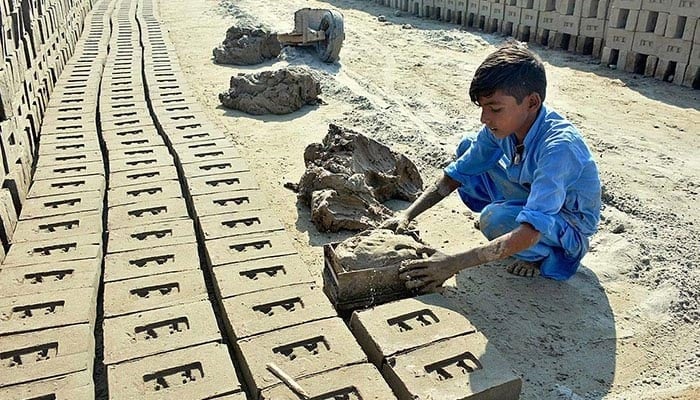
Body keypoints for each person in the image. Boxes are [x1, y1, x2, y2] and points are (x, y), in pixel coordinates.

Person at [383, 42, 601, 293]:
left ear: (531, 102)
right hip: (533, 195)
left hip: (566, 223)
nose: (484, 118)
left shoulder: (559, 148)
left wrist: (452, 263)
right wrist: (407, 214)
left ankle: (542, 255)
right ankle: (509, 223)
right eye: (483, 108)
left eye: (495, 109)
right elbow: (457, 173)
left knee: (493, 219)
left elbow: (531, 231)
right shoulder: (505, 128)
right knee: (468, 147)